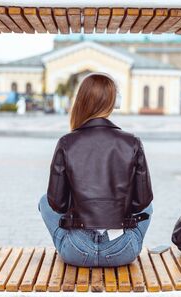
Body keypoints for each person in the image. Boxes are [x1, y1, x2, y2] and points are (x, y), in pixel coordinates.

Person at [39, 73, 153, 267]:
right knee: (148, 207)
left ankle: (69, 241)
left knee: (44, 201)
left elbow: (56, 203)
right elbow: (142, 202)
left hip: (77, 250)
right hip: (121, 250)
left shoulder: (67, 142)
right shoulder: (132, 142)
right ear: (112, 102)